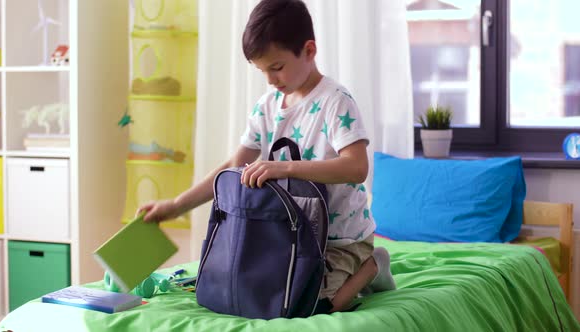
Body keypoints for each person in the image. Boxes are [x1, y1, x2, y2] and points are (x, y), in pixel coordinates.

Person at [137, 0, 395, 313]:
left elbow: (356, 168)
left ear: (309, 51)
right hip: (290, 238)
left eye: (277, 67)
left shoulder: (335, 102)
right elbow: (233, 168)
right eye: (263, 71)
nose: (271, 80)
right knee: (254, 294)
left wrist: (286, 168)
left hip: (341, 241)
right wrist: (175, 206)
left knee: (321, 305)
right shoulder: (267, 106)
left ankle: (373, 265)